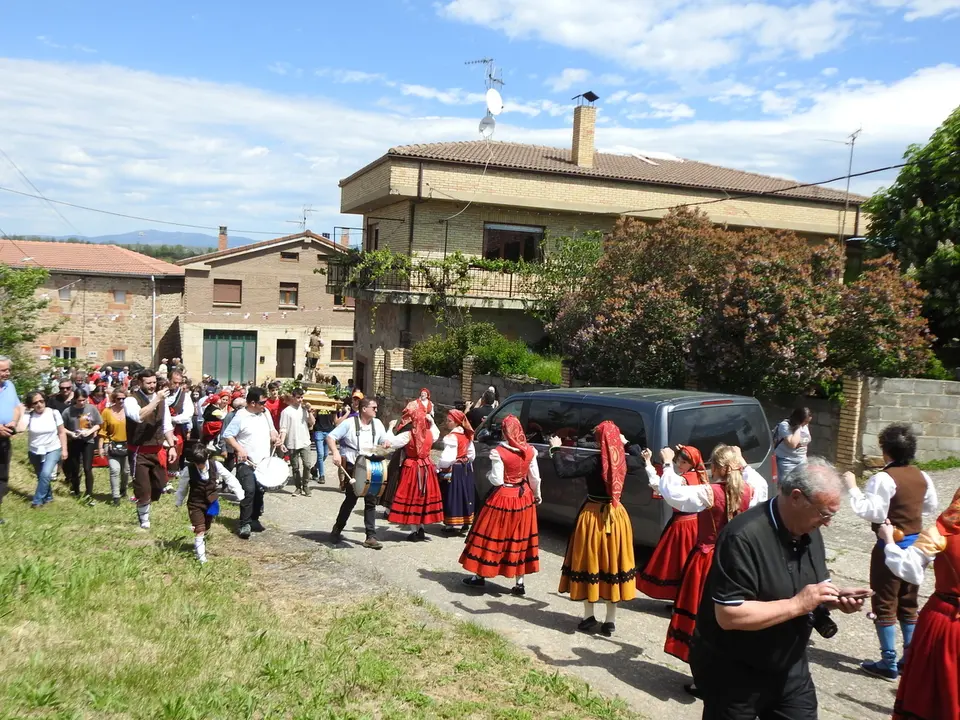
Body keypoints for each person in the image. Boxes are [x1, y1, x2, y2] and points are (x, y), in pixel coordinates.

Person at [690, 459, 870, 719]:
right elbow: (729, 615)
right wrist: (799, 604)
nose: (828, 523)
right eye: (824, 513)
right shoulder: (742, 536)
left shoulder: (808, 529)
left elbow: (814, 585)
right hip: (735, 673)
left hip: (790, 667)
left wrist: (834, 597)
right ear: (796, 497)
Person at [651, 445, 761, 695]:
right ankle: (726, 674)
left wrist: (668, 464)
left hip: (707, 560)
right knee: (728, 619)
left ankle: (703, 679)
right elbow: (760, 486)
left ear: (719, 468)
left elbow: (673, 494)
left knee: (701, 620)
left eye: (713, 465)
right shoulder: (750, 490)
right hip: (736, 562)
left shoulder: (709, 492)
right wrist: (742, 462)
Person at [842, 422, 938, 680]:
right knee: (908, 602)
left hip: (890, 545)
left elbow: (872, 511)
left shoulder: (883, 478)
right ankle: (910, 658)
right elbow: (930, 506)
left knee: (885, 603)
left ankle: (889, 663)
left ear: (886, 451)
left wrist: (852, 487)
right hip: (917, 547)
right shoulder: (922, 475)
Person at [549, 421, 642, 636]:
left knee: (589, 561)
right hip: (617, 516)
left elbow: (564, 471)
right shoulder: (625, 462)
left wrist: (555, 449)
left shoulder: (594, 461)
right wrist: (625, 443)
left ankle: (589, 615)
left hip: (592, 516)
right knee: (613, 564)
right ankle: (610, 620)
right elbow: (638, 455)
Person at [879, 486, 960, 720]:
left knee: (934, 691)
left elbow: (910, 571)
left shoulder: (941, 531)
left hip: (946, 623)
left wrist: (888, 541)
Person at [460, 415, 542, 595]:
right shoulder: (530, 450)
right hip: (524, 497)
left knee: (491, 534)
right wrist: (537, 495)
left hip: (504, 497)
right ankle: (519, 583)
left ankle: (479, 576)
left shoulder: (499, 451)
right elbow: (534, 478)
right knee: (519, 538)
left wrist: (489, 474)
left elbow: (497, 480)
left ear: (505, 432)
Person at [636, 444, 708, 602]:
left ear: (692, 464)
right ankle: (682, 597)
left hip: (684, 525)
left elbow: (663, 488)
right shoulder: (697, 476)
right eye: (679, 461)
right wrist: (648, 463)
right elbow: (663, 486)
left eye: (684, 462)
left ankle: (683, 599)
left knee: (678, 562)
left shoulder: (684, 479)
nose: (679, 465)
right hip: (693, 523)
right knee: (684, 563)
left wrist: (663, 463)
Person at [327, 397, 387, 549]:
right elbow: (330, 437)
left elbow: (384, 440)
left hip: (371, 466)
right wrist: (335, 453)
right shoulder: (349, 423)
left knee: (371, 501)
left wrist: (386, 443)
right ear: (364, 409)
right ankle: (337, 529)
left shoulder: (378, 423)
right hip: (354, 466)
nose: (376, 410)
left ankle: (371, 536)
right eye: (373, 407)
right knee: (350, 500)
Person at [124, 369, 178, 529]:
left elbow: (167, 425)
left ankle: (145, 504)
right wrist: (157, 400)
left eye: (154, 382)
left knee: (159, 486)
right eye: (148, 383)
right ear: (140, 383)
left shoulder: (162, 401)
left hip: (157, 450)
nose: (152, 385)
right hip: (138, 452)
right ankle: (144, 519)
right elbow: (139, 417)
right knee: (143, 488)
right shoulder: (131, 400)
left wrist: (172, 446)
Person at [223, 387, 279, 539]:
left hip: (263, 463)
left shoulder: (265, 413)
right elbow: (228, 435)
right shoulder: (241, 416)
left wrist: (275, 438)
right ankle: (244, 523)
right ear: (252, 403)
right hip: (246, 462)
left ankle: (254, 519)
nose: (265, 405)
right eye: (262, 402)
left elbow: (272, 431)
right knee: (249, 490)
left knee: (260, 492)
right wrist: (239, 449)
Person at [175, 444, 244, 564]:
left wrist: (239, 492)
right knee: (199, 529)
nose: (200, 466)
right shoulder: (189, 470)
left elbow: (229, 477)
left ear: (206, 458)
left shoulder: (215, 465)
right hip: (195, 503)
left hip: (211, 502)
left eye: (201, 462)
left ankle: (200, 542)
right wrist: (179, 500)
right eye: (197, 463)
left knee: (206, 527)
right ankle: (201, 558)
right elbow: (182, 487)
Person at [384, 401, 443, 541]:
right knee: (422, 499)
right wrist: (432, 422)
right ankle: (421, 528)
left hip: (412, 469)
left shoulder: (408, 435)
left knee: (412, 498)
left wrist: (390, 428)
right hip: (427, 468)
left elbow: (390, 442)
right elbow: (437, 433)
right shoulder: (430, 434)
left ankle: (414, 531)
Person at [17, 390, 66, 509]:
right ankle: (48, 497)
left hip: (53, 448)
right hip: (35, 450)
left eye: (41, 401)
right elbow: (20, 429)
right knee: (40, 475)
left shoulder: (54, 413)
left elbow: (62, 432)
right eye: (35, 403)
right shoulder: (29, 415)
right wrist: (23, 411)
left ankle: (37, 501)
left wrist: (64, 450)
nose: (39, 404)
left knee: (46, 473)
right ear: (31, 405)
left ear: (45, 401)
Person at [437, 409, 476, 535]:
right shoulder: (466, 435)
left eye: (450, 421)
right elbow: (471, 455)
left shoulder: (451, 437)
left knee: (452, 495)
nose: (447, 423)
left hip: (455, 469)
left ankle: (450, 524)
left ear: (456, 422)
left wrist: (439, 466)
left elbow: (447, 458)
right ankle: (466, 522)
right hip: (465, 468)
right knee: (465, 494)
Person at [62, 389, 102, 503]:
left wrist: (89, 432)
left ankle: (89, 493)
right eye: (79, 400)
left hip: (88, 441)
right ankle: (76, 490)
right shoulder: (67, 411)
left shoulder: (91, 409)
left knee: (87, 468)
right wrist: (71, 433)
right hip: (74, 441)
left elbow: (98, 424)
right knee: (75, 468)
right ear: (75, 399)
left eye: (84, 400)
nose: (82, 403)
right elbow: (61, 427)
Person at [278, 387, 315, 497]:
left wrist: (309, 411)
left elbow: (312, 423)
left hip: (305, 441)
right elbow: (283, 428)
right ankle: (298, 487)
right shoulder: (286, 412)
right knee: (295, 467)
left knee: (307, 465)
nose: (300, 400)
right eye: (298, 397)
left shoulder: (304, 409)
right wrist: (282, 442)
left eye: (301, 397)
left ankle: (306, 485)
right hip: (292, 442)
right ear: (293, 398)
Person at [98, 387, 131, 505]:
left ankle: (123, 490)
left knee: (126, 471)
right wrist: (101, 447)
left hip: (127, 445)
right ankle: (115, 496)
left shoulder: (129, 411)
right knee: (114, 469)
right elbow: (102, 431)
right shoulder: (106, 412)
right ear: (114, 399)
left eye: (123, 398)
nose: (121, 401)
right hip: (111, 444)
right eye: (118, 399)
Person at [0, 356, 21, 524]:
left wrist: (14, 421)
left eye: (8, 370)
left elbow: (16, 407)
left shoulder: (10, 386)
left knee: (2, 476)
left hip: (5, 438)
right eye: (3, 370)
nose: (7, 373)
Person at [166, 369, 195, 476]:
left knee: (176, 448)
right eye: (174, 382)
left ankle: (170, 475)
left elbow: (188, 414)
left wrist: (172, 419)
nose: (177, 385)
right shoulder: (160, 393)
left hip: (175, 428)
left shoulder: (184, 396)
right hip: (159, 428)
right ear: (169, 380)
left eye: (179, 383)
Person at [774, 407, 813, 482]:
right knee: (786, 486)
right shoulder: (785, 425)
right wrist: (798, 427)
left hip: (802, 460)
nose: (806, 424)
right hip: (787, 461)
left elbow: (806, 441)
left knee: (802, 484)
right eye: (805, 422)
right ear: (799, 420)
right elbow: (792, 444)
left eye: (808, 422)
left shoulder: (805, 425)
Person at [311, 403, 336, 484]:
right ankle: (322, 476)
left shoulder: (332, 404)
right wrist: (311, 411)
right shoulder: (318, 403)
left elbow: (335, 420)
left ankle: (315, 468)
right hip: (319, 431)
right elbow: (313, 418)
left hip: (329, 431)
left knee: (325, 454)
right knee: (320, 454)